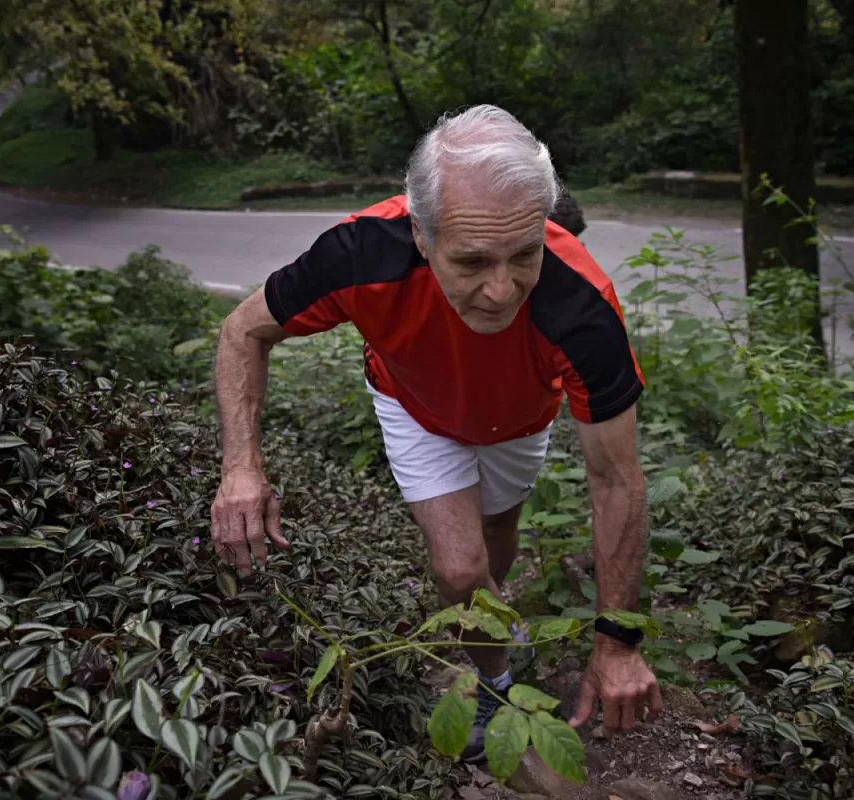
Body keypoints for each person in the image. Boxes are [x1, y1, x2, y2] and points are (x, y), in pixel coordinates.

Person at [209, 104, 661, 764]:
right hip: (413, 405)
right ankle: (494, 681)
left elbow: (616, 480)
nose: (501, 290)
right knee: (459, 563)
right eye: (472, 260)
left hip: (518, 421)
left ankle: (488, 622)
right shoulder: (363, 250)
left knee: (497, 538)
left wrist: (618, 640)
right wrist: (241, 466)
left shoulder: (582, 307)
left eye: (523, 255)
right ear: (421, 234)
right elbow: (242, 330)